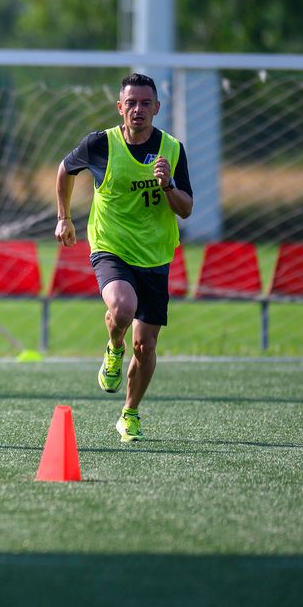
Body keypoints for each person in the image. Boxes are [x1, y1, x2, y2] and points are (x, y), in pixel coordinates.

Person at [55, 72, 193, 443]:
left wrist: (168, 185)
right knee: (122, 305)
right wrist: (64, 217)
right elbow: (65, 170)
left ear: (157, 108)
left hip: (155, 254)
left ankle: (129, 414)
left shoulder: (173, 150)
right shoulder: (100, 144)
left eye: (145, 103)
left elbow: (186, 209)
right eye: (131, 103)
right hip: (110, 246)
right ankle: (113, 348)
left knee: (146, 346)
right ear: (120, 107)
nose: (138, 110)